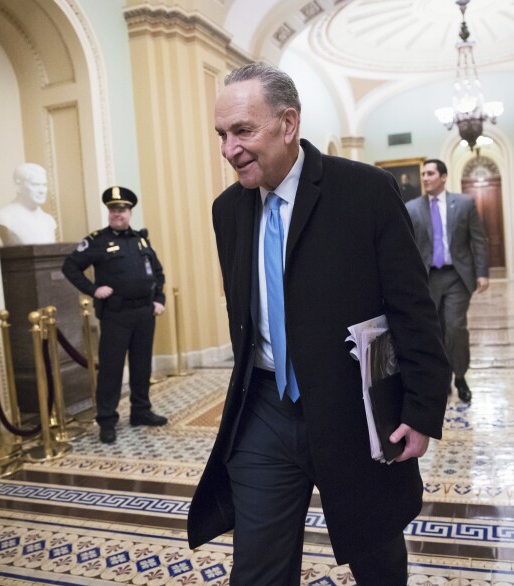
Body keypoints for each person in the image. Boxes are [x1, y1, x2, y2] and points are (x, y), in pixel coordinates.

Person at [187, 62, 449, 585]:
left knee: (377, 559)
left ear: (288, 124)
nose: (228, 149)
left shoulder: (365, 192)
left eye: (243, 131)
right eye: (221, 134)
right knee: (257, 567)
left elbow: (412, 308)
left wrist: (422, 409)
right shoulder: (227, 212)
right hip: (264, 409)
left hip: (356, 412)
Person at [61, 187, 168, 444]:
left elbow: (158, 272)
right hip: (116, 315)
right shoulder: (97, 241)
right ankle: (107, 420)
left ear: (130, 212)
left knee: (142, 365)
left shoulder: (141, 241)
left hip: (144, 312)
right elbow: (70, 266)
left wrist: (158, 299)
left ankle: (140, 411)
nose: (116, 214)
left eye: (121, 210)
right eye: (112, 210)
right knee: (111, 369)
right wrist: (93, 289)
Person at [405, 159, 489, 404]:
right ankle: (440, 378)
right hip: (427, 279)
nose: (425, 178)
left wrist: (482, 272)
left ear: (443, 177)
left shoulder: (464, 203)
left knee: (454, 327)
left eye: (430, 173)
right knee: (433, 331)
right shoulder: (411, 208)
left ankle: (460, 376)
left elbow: (479, 240)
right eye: (423, 174)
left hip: (457, 277)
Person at [0, 163, 58, 246]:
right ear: (18, 186)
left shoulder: (49, 220)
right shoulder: (5, 217)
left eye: (44, 185)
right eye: (35, 185)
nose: (42, 191)